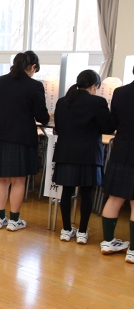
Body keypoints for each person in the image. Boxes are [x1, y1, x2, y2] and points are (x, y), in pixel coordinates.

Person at [0, 51, 50, 231]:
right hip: (22, 137)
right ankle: (14, 220)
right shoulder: (34, 86)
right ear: (32, 67)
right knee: (19, 180)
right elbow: (42, 116)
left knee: (2, 178)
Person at [53, 70, 114, 244]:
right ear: (94, 86)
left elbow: (59, 127)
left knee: (67, 191)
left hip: (66, 152)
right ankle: (81, 232)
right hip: (89, 154)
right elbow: (108, 127)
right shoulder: (98, 102)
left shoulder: (63, 101)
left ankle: (65, 230)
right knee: (86, 192)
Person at [100, 66, 134, 260]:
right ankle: (133, 251)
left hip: (121, 150)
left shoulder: (120, 92)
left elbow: (113, 123)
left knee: (115, 198)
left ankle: (107, 241)